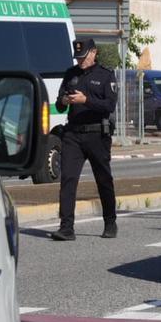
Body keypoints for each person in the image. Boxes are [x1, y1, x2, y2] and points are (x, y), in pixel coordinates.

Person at [50, 37, 119, 241]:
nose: (80, 61)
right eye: (77, 58)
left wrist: (86, 100)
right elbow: (60, 105)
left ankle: (110, 221)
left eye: (83, 57)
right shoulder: (71, 74)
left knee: (103, 179)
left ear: (93, 53)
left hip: (97, 134)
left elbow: (109, 105)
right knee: (68, 179)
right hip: (73, 134)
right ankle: (66, 227)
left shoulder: (106, 76)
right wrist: (64, 100)